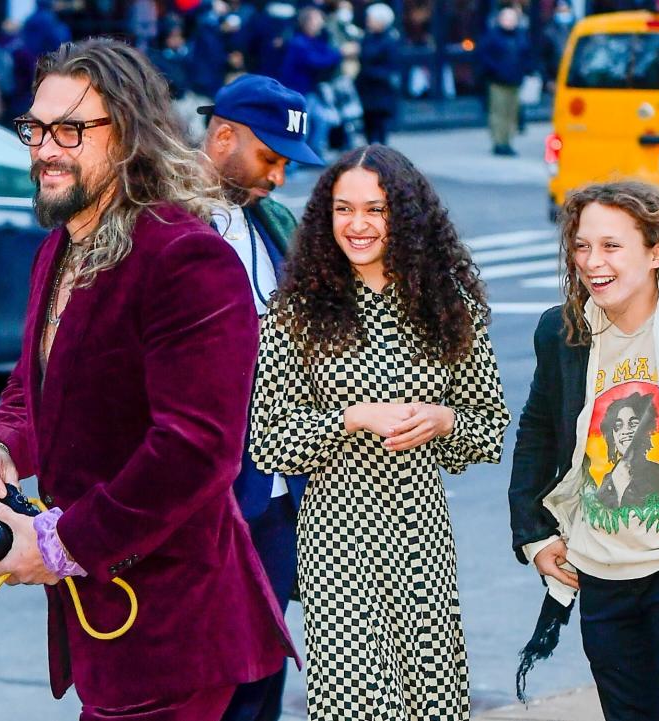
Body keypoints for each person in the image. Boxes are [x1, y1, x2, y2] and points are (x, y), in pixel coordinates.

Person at [0, 38, 295, 721]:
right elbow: (34, 386)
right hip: (104, 627)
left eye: (71, 130)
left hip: (177, 627)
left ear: (130, 134)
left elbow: (194, 450)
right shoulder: (60, 245)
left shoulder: (185, 256)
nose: (45, 148)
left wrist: (59, 543)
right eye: (36, 128)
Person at [250, 144, 511, 720]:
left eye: (376, 209)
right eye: (344, 210)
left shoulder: (449, 305)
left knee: (432, 699)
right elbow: (268, 440)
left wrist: (445, 420)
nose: (358, 225)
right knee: (355, 702)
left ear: (406, 217)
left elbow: (488, 428)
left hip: (422, 533)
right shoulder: (297, 312)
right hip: (337, 539)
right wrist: (353, 416)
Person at [508, 181, 659, 719]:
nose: (591, 261)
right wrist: (534, 534)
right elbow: (537, 435)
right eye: (582, 246)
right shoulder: (562, 333)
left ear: (656, 253)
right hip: (601, 568)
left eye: (611, 246)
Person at [198, 73, 324, 721]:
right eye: (268, 158)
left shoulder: (272, 220)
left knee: (262, 676)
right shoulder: (160, 221)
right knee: (204, 680)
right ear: (222, 137)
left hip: (272, 496)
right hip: (199, 499)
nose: (277, 177)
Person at [278, 6, 342, 160]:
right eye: (318, 20)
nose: (322, 23)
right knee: (297, 129)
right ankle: (291, 164)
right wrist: (339, 54)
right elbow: (316, 61)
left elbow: (325, 52)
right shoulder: (298, 43)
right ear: (308, 23)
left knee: (321, 120)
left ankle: (312, 155)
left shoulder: (313, 41)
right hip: (296, 92)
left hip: (310, 91)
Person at [477, 5, 532, 156]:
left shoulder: (520, 37)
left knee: (512, 113)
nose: (509, 22)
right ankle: (499, 142)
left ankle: (508, 141)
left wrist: (526, 70)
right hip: (498, 81)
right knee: (498, 113)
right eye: (506, 19)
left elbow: (526, 56)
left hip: (515, 81)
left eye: (512, 19)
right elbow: (484, 57)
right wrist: (495, 70)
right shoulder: (492, 37)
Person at [355, 3, 400, 146]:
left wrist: (369, 71)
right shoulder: (367, 38)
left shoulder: (389, 41)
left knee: (380, 128)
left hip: (381, 92)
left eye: (371, 18)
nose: (368, 21)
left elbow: (391, 68)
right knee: (368, 127)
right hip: (366, 91)